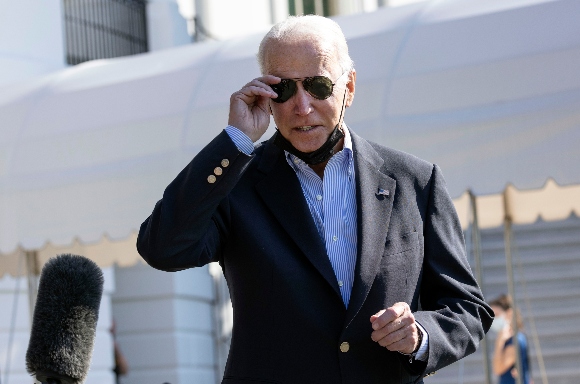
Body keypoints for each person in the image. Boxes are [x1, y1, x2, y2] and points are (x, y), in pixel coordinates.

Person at [137, 15, 493, 383]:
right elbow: (162, 248)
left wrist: (420, 335)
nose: (302, 107)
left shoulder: (416, 182)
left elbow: (467, 309)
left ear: (349, 87)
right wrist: (234, 141)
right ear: (267, 96)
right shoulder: (235, 181)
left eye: (319, 86)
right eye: (285, 90)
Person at [489, 294, 531, 384]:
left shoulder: (515, 340)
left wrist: (499, 343)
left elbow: (498, 369)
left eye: (496, 315)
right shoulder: (514, 338)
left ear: (509, 314)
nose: (493, 320)